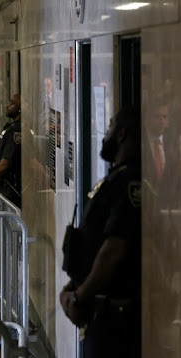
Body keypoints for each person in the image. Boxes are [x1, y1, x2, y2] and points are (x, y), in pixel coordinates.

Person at [59, 107, 141, 358]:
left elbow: (113, 251)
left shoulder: (131, 181)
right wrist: (74, 286)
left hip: (115, 317)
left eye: (110, 127)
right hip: (99, 310)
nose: (106, 134)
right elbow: (95, 243)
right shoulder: (115, 179)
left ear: (122, 134)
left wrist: (79, 298)